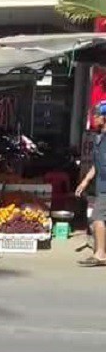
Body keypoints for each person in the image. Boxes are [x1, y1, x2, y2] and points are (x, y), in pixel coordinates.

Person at [75, 102, 106, 266]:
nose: (94, 118)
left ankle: (101, 254)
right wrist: (85, 181)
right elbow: (97, 164)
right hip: (101, 186)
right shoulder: (99, 137)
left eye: (97, 115)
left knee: (97, 218)